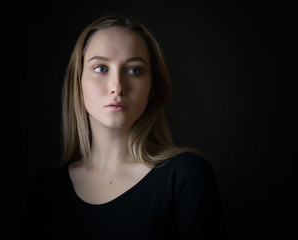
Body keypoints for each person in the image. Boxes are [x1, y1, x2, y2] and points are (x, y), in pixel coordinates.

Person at [20, 14, 225, 240]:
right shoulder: (46, 191)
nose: (117, 87)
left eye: (134, 70)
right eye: (101, 68)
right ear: (77, 83)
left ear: (153, 89)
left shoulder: (186, 177)